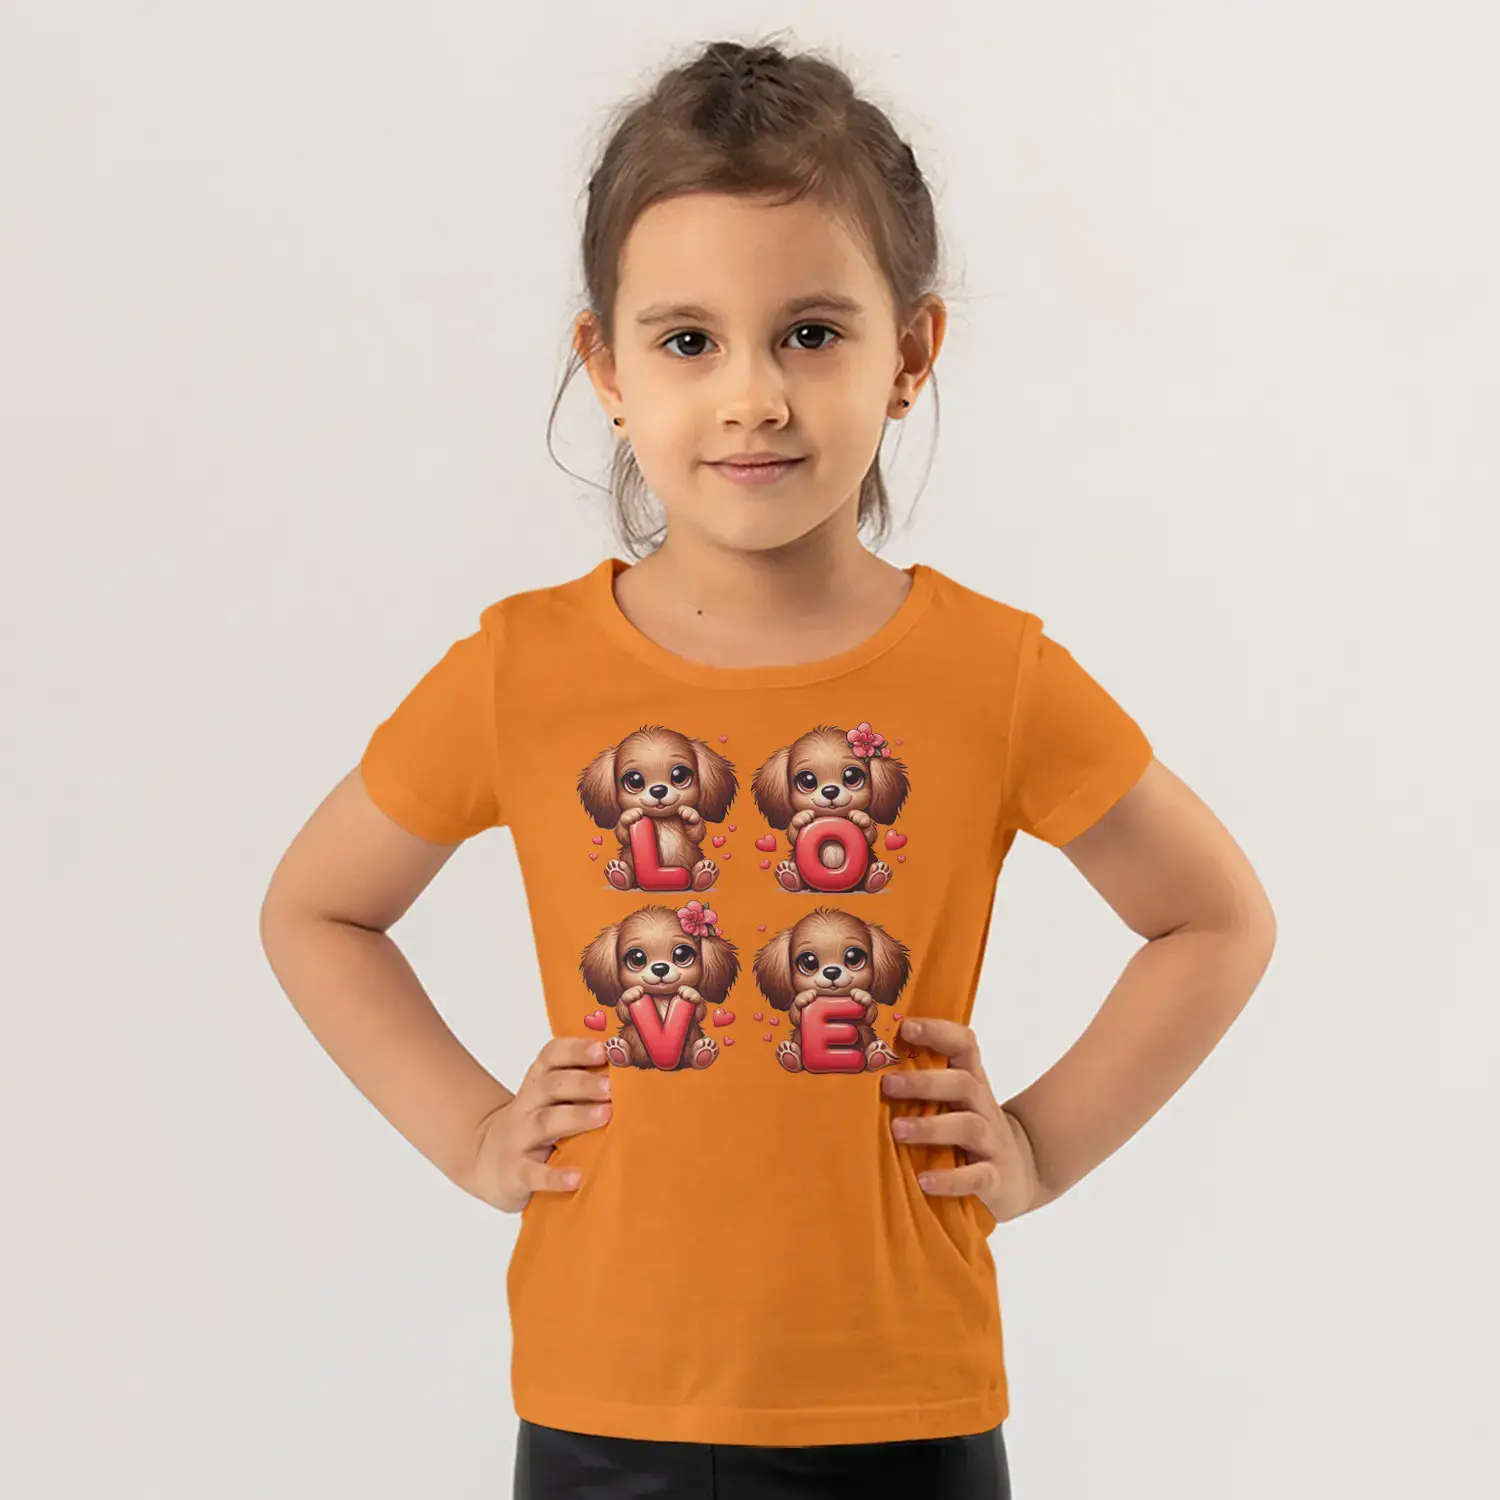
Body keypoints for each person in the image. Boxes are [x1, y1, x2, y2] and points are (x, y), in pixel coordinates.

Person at [258, 34, 1277, 1500]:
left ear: (909, 355)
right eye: (689, 340)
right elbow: (317, 909)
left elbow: (1214, 917)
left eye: (809, 331)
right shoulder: (519, 669)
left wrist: (1039, 1149)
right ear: (605, 369)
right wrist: (474, 1134)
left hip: (903, 1407)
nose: (752, 396)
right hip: (603, 1404)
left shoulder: (993, 675)